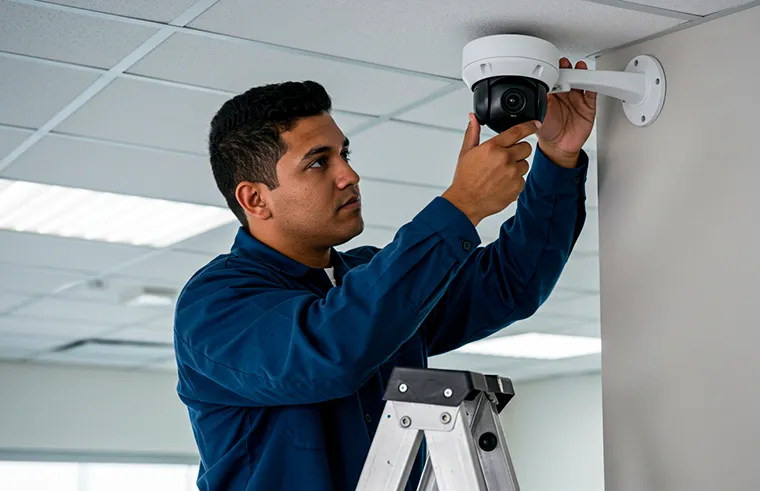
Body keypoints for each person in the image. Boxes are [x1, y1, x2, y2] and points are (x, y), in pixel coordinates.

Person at [173, 57, 597, 491]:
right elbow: (330, 351)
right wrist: (461, 206)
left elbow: (510, 284)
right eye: (319, 162)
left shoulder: (371, 276)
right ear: (255, 199)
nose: (349, 175)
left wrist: (557, 157)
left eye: (344, 154)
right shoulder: (216, 306)